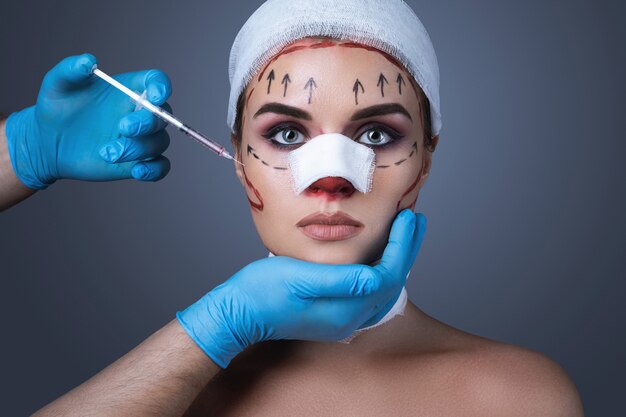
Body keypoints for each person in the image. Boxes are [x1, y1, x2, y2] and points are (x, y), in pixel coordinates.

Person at [4, 1, 583, 416]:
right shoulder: (170, 395)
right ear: (237, 157)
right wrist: (207, 336)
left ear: (427, 158)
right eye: (285, 135)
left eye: (378, 136)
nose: (330, 177)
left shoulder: (517, 398)